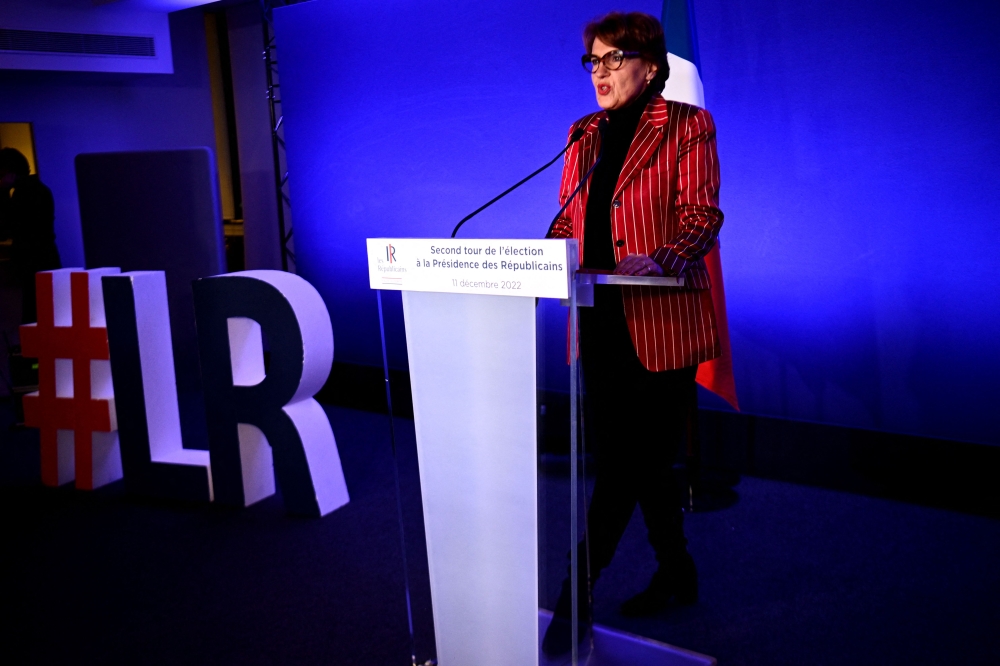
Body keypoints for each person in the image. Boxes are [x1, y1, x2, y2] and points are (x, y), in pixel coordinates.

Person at [543, 11, 724, 654]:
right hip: (599, 320)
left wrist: (665, 257)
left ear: (651, 65)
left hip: (661, 321)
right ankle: (678, 571)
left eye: (614, 59)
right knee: (642, 461)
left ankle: (574, 595)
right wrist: (545, 255)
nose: (600, 72)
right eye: (592, 61)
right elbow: (568, 220)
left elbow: (704, 216)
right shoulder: (583, 133)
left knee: (623, 464)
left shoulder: (686, 125)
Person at [0, 148, 61, 323]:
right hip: (45, 258)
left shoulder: (23, 194)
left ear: (10, 172)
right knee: (46, 313)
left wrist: (2, 192)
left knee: (33, 314)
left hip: (31, 261)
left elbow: (7, 227)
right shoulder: (39, 189)